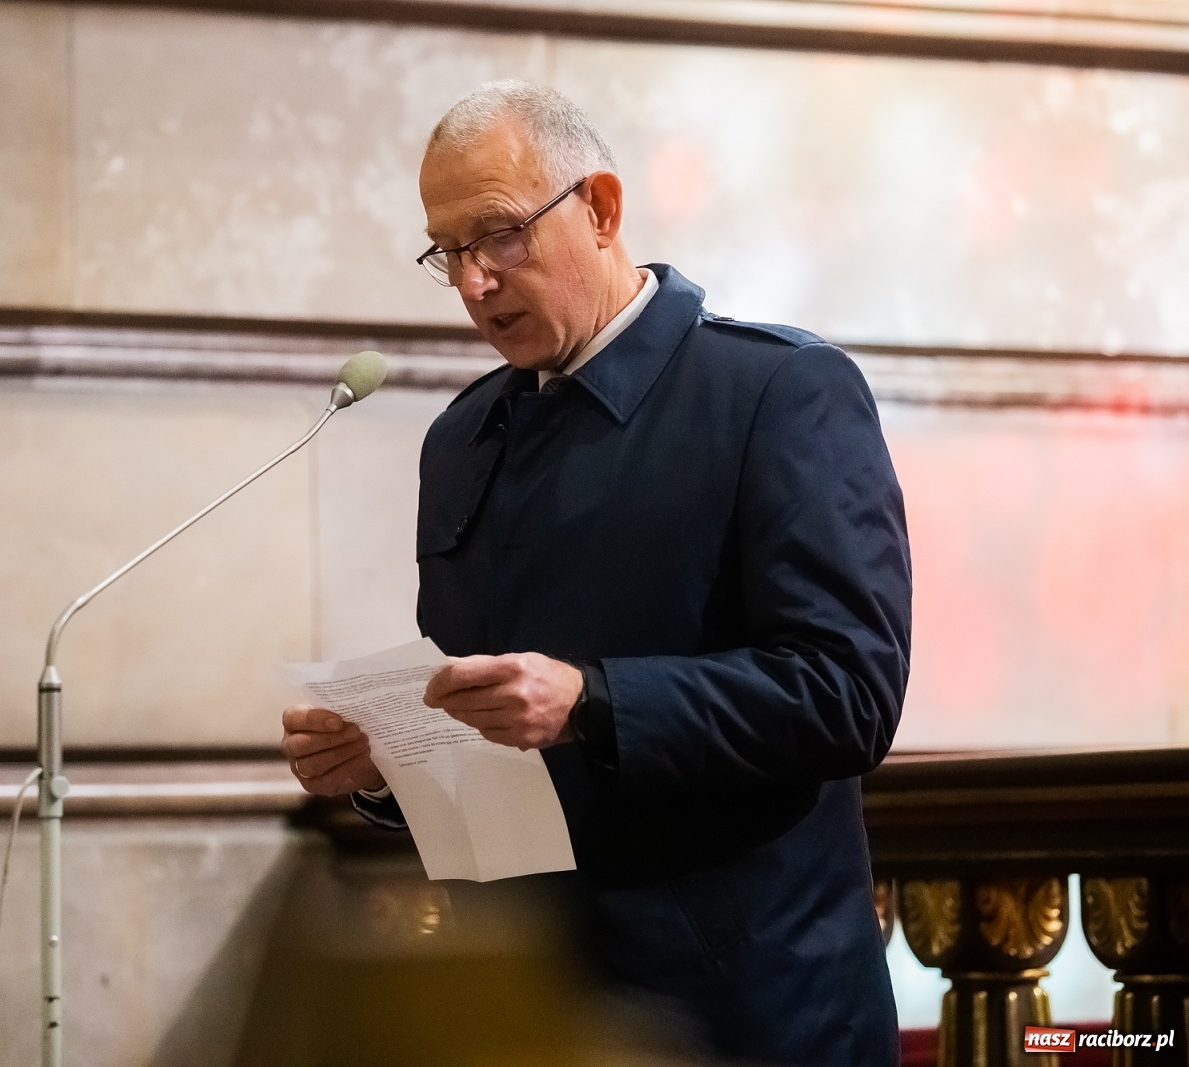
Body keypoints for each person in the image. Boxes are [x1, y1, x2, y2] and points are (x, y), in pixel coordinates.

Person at [280, 81, 911, 1066]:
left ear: (602, 208)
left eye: (499, 235)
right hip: (530, 1008)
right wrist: (383, 766)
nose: (474, 283)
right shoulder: (462, 436)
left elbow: (846, 694)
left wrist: (595, 700)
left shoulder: (776, 391)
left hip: (742, 1013)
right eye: (447, 252)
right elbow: (487, 733)